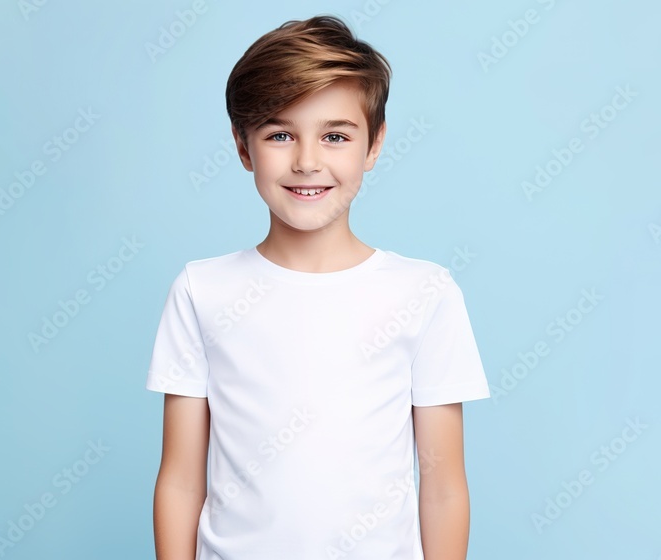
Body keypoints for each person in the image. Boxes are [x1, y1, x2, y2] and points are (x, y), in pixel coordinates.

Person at [146, 14, 490, 560]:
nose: (307, 162)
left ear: (373, 145)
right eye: (280, 135)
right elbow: (181, 481)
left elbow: (444, 487)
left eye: (335, 136)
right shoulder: (201, 291)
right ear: (243, 147)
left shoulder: (424, 293)